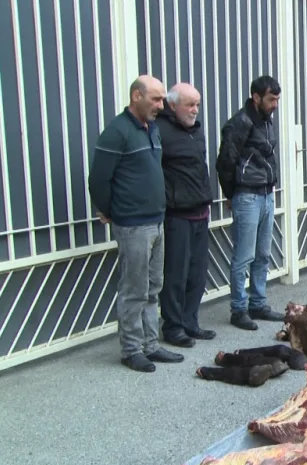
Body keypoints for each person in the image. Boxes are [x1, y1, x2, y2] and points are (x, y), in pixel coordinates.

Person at [88, 75, 185, 372]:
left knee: (153, 285)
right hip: (133, 225)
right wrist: (109, 210)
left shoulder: (151, 129)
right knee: (134, 288)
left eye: (162, 99)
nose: (161, 105)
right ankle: (132, 350)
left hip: (156, 220)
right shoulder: (117, 132)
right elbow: (98, 179)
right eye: (155, 99)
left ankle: (150, 344)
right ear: (136, 96)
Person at [216, 75, 286, 330]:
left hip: (267, 193)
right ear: (256, 97)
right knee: (243, 256)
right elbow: (225, 161)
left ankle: (258, 304)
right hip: (246, 195)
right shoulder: (240, 123)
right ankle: (239, 309)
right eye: (271, 99)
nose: (275, 104)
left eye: (277, 99)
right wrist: (231, 194)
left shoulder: (267, 121)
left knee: (263, 254)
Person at [157, 83, 216, 348]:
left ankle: (191, 322)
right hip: (176, 215)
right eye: (190, 104)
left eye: (197, 104)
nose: (195, 110)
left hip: (200, 212)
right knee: (176, 275)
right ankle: (173, 327)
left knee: (197, 273)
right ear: (172, 105)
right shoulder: (160, 130)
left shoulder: (197, 131)